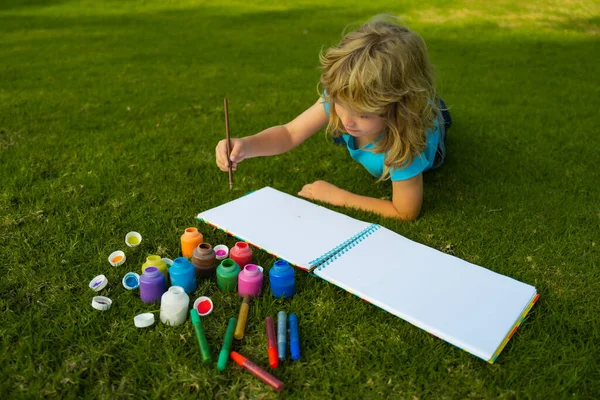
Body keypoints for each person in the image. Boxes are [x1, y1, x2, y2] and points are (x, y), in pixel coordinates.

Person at [215, 14, 451, 221]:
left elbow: (405, 212)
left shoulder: (406, 144)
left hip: (430, 125)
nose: (347, 120)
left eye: (364, 114)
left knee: (437, 114)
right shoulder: (345, 95)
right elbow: (289, 133)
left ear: (397, 111)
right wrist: (245, 145)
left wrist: (338, 196)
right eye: (340, 104)